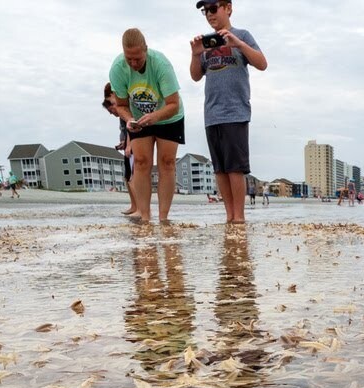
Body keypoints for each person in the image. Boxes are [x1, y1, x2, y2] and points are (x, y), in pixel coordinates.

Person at [189, 0, 267, 224]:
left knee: (235, 168)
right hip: (211, 114)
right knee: (220, 169)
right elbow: (195, 76)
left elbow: (262, 63)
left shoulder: (242, 34)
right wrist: (195, 55)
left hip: (236, 111)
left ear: (228, 8)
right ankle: (229, 215)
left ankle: (239, 218)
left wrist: (238, 44)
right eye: (206, 11)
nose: (209, 14)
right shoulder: (206, 43)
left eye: (213, 9)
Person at [110, 28, 185, 224]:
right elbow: (122, 105)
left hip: (169, 116)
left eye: (138, 59)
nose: (133, 64)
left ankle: (163, 218)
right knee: (142, 162)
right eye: (129, 59)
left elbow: (173, 104)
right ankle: (144, 216)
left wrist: (154, 117)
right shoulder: (118, 68)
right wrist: (128, 120)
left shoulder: (161, 64)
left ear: (146, 50)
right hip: (138, 118)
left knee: (167, 163)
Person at [103, 83, 140, 217]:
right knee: (127, 177)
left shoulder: (126, 107)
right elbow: (125, 131)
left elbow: (131, 128)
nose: (113, 113)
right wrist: (124, 143)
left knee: (132, 178)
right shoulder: (122, 112)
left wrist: (129, 145)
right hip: (128, 146)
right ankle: (134, 206)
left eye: (111, 110)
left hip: (133, 145)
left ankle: (139, 208)